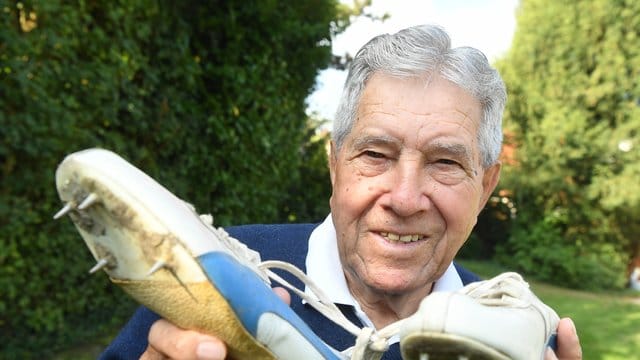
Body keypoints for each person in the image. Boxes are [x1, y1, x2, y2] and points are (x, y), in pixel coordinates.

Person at [100, 24, 582, 360]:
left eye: (445, 162)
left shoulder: (521, 336)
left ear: (486, 186)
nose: (405, 198)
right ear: (335, 165)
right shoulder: (217, 271)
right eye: (376, 155)